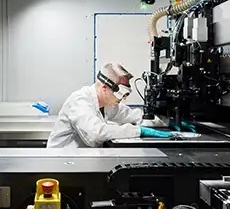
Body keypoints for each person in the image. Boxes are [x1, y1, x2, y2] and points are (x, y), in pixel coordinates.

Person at [46, 62, 175, 148]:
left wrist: (168, 122)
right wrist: (138, 131)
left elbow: (134, 116)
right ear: (105, 87)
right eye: (121, 94)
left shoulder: (108, 104)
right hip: (61, 163)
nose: (123, 99)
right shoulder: (80, 101)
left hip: (81, 160)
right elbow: (96, 133)